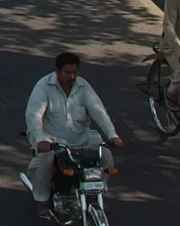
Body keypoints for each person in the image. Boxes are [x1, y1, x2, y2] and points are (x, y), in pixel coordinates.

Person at [21, 52, 123, 207]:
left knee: (106, 156)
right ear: (57, 71)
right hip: (53, 141)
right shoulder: (44, 86)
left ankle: (96, 193)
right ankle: (41, 199)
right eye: (67, 73)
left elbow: (99, 112)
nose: (72, 76)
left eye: (74, 72)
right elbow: (33, 114)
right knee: (45, 160)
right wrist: (40, 139)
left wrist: (112, 135)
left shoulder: (83, 86)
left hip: (81, 138)